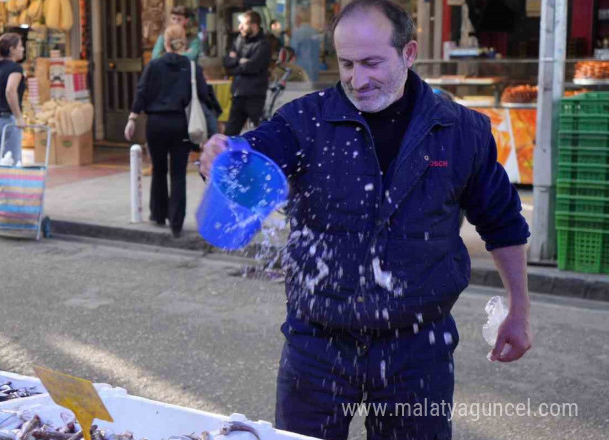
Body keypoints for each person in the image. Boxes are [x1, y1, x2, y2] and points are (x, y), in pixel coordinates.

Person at [200, 1, 532, 439]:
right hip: (317, 343)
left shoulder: (461, 131)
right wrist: (221, 157)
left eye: (373, 63)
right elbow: (252, 154)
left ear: (409, 53)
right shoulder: (305, 120)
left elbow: (503, 223)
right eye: (347, 64)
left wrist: (519, 312)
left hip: (418, 347)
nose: (358, 80)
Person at [126, 25, 212, 238]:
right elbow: (204, 97)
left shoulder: (154, 65)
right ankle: (176, 222)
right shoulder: (192, 68)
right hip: (181, 124)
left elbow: (142, 92)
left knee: (158, 169)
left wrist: (132, 118)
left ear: (165, 42)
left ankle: (158, 213)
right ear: (183, 41)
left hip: (155, 124)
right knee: (178, 173)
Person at [0, 32, 26, 202]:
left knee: (3, 157)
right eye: (20, 46)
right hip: (7, 119)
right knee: (12, 159)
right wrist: (19, 117)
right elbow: (10, 91)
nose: (23, 48)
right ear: (12, 50)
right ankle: (8, 197)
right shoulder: (16, 69)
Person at [223, 10, 272, 136]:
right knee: (230, 134)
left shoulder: (263, 44)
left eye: (243, 24)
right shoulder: (239, 40)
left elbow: (252, 66)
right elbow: (227, 63)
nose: (240, 27)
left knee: (262, 132)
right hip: (238, 94)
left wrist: (237, 63)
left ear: (254, 26)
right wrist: (240, 61)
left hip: (254, 94)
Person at [289, 6, 323, 83]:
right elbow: (319, 49)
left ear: (298, 18)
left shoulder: (297, 34)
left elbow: (292, 52)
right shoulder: (315, 32)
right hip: (314, 67)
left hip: (301, 69)